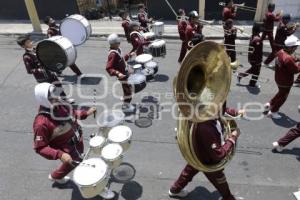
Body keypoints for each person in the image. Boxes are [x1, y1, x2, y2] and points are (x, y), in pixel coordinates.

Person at [32, 83, 115, 199]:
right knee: (84, 165)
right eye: (53, 97)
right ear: (44, 100)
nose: (58, 97)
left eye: (56, 93)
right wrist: (60, 154)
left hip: (77, 141)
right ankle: (98, 187)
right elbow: (40, 148)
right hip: (67, 149)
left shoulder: (60, 104)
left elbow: (73, 114)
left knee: (74, 161)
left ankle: (56, 176)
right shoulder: (41, 123)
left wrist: (86, 113)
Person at [169, 105, 244, 199]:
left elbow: (221, 107)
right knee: (220, 180)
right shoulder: (206, 128)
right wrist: (233, 138)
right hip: (208, 160)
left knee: (190, 169)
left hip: (198, 152)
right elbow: (218, 154)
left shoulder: (208, 110)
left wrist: (235, 112)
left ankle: (175, 189)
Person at [17, 35, 74, 104]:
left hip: (50, 73)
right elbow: (29, 70)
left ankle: (64, 99)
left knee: (58, 85)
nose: (31, 43)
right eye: (28, 43)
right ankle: (53, 104)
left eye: (29, 41)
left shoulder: (37, 49)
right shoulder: (26, 57)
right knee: (49, 90)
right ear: (23, 46)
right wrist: (41, 70)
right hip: (42, 77)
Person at [264, 35, 300, 119]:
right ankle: (273, 111)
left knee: (280, 93)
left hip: (278, 78)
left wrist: (295, 60)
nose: (296, 49)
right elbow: (296, 70)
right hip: (286, 81)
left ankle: (270, 104)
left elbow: (285, 62)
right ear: (291, 48)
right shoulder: (288, 58)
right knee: (283, 97)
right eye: (295, 47)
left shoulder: (280, 52)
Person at [106, 33, 135, 113]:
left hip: (124, 72)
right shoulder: (112, 54)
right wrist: (118, 73)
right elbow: (109, 68)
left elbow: (121, 59)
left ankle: (124, 97)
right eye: (118, 42)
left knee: (126, 88)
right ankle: (126, 106)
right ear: (113, 44)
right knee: (128, 91)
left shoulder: (117, 49)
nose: (119, 43)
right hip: (122, 75)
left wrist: (129, 55)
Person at [237, 23, 263, 88]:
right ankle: (249, 82)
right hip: (256, 59)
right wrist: (258, 60)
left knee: (254, 70)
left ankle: (250, 82)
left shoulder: (253, 36)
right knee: (256, 71)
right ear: (258, 31)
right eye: (260, 29)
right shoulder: (257, 39)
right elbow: (257, 51)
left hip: (253, 58)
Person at [261, 3, 282, 68]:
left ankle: (256, 50)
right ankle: (266, 62)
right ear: (270, 8)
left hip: (266, 30)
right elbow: (277, 19)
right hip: (269, 32)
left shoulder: (268, 13)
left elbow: (273, 17)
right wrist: (280, 14)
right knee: (274, 49)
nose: (274, 8)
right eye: (273, 7)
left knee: (261, 40)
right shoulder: (270, 14)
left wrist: (277, 15)